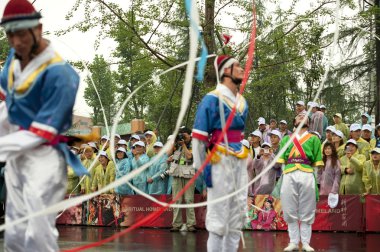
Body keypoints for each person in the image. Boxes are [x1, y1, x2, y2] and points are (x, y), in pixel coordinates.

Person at [0, 0, 90, 250]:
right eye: (10, 35)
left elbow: (40, 133)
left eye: (21, 34)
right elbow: (7, 105)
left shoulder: (62, 75)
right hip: (16, 156)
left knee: (38, 234)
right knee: (14, 233)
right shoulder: (14, 58)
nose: (16, 41)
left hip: (44, 158)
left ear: (38, 29)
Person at [192, 55, 248, 251]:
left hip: (238, 159)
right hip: (219, 160)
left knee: (237, 215)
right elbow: (198, 138)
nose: (242, 69)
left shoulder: (242, 101)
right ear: (226, 71)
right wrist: (201, 169)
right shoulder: (211, 99)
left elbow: (240, 133)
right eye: (237, 66)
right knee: (218, 217)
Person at [277, 113, 323, 252]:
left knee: (307, 208)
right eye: (299, 116)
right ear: (294, 121)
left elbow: (316, 163)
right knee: (289, 208)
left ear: (309, 122)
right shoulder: (286, 139)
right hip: (289, 172)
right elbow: (282, 161)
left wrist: (313, 178)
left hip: (307, 172)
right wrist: (285, 175)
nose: (302, 116)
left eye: (305, 116)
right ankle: (293, 242)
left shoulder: (314, 139)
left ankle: (306, 243)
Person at [168, 127, 196, 232]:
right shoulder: (177, 144)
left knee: (189, 200)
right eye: (180, 134)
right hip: (176, 174)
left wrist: (184, 145)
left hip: (189, 174)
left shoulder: (194, 144)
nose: (182, 136)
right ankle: (176, 224)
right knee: (177, 200)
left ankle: (191, 224)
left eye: (184, 134)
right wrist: (173, 142)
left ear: (189, 135)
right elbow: (167, 154)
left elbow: (189, 156)